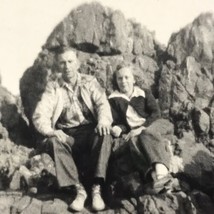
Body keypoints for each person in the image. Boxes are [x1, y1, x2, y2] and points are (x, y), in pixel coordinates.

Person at [32, 47, 112, 211]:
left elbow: (102, 104)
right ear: (58, 66)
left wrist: (103, 121)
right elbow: (40, 114)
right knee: (53, 142)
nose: (67, 66)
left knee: (105, 134)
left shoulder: (90, 82)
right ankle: (79, 190)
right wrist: (51, 131)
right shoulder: (53, 87)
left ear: (77, 63)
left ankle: (96, 189)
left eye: (70, 62)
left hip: (91, 131)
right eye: (62, 63)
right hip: (68, 135)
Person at [108, 64, 171, 193]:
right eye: (120, 78)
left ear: (133, 79)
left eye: (127, 77)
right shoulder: (113, 99)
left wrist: (141, 128)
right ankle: (154, 178)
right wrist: (119, 128)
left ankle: (162, 174)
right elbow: (120, 123)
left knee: (146, 133)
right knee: (132, 143)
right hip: (135, 131)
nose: (123, 81)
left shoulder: (143, 92)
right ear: (116, 81)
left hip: (156, 123)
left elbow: (156, 113)